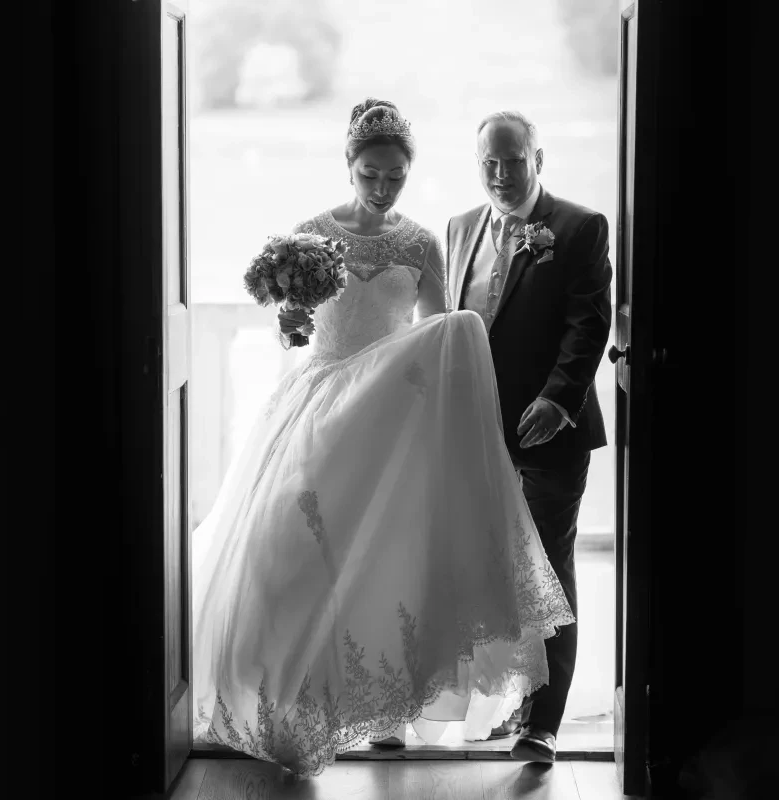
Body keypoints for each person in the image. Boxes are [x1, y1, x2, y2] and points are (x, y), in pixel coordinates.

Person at [190, 98, 574, 777]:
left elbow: (434, 331)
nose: (382, 186)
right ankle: (292, 703)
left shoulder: (421, 243)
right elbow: (292, 326)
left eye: (395, 175)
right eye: (371, 173)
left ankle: (389, 710)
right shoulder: (311, 236)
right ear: (349, 166)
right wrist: (291, 326)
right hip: (316, 408)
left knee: (389, 557)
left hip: (388, 419)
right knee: (295, 555)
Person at [445, 110, 613, 763]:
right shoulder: (460, 228)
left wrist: (557, 397)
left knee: (547, 569)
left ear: (537, 157)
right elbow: (449, 326)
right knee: (491, 573)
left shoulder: (576, 227)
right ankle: (509, 700)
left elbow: (586, 324)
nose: (500, 173)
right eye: (489, 161)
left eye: (513, 160)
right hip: (476, 437)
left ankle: (543, 723)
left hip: (552, 432)